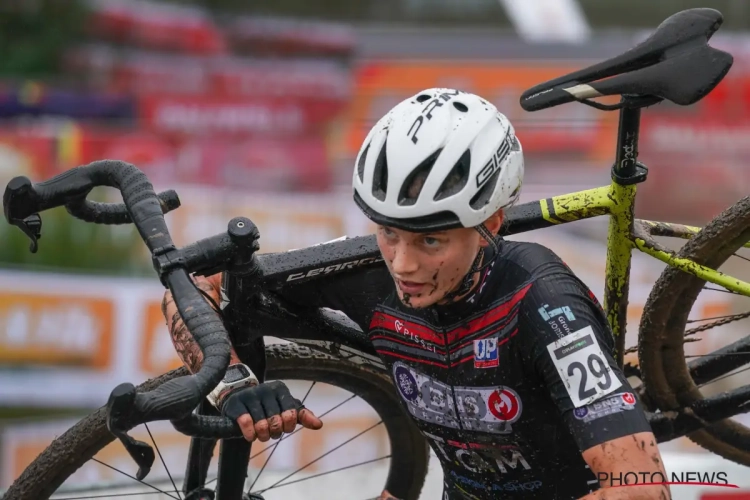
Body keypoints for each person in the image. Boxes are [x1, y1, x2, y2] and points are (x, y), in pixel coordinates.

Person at [163, 88, 670, 500]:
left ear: (490, 222)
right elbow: (193, 287)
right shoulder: (368, 270)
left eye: (431, 239)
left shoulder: (543, 301)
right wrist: (231, 382)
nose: (404, 265)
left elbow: (643, 493)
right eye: (388, 233)